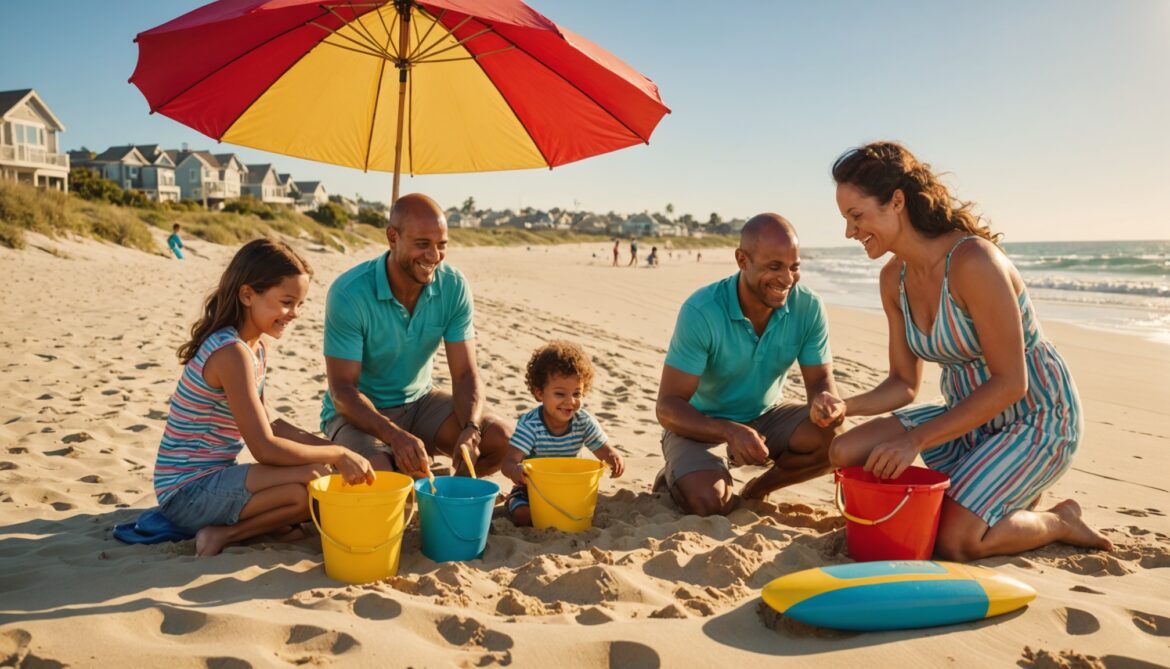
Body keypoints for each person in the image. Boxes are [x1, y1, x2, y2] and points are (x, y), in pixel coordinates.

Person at [826, 141, 1112, 560]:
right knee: (844, 450)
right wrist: (844, 406)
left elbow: (1011, 383)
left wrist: (914, 441)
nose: (850, 232)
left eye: (856, 216)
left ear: (897, 202)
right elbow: (903, 383)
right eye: (846, 220)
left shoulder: (973, 262)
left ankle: (1060, 520)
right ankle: (996, 494)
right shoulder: (893, 280)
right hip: (967, 416)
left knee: (953, 540)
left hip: (1036, 415)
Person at [154, 239, 375, 557]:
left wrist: (334, 452)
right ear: (247, 295)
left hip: (215, 477)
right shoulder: (231, 353)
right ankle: (222, 535)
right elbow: (263, 447)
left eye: (300, 304)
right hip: (185, 492)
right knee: (313, 477)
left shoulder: (255, 346)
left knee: (304, 492)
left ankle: (239, 529)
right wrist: (337, 454)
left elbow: (271, 423)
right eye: (287, 302)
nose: (295, 313)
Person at [655, 214, 844, 516]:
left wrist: (825, 402)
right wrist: (729, 431)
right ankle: (677, 472)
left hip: (767, 417)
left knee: (838, 440)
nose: (787, 279)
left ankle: (757, 489)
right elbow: (667, 407)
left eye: (794, 267)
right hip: (700, 423)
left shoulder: (808, 306)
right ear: (742, 260)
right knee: (709, 503)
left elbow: (820, 380)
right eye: (774, 267)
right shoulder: (701, 310)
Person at [321, 193, 511, 480]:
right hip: (358, 413)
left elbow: (465, 375)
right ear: (392, 237)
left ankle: (448, 495)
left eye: (441, 245)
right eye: (422, 244)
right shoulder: (349, 293)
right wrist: (394, 436)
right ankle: (396, 472)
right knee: (380, 475)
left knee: (503, 440)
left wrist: (471, 428)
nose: (434, 256)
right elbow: (343, 392)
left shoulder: (453, 285)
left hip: (421, 402)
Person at [501, 341, 625, 526]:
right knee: (523, 516)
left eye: (577, 394)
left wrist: (613, 457)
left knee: (584, 511)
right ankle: (511, 499)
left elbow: (603, 450)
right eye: (560, 394)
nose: (570, 401)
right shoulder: (531, 425)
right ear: (539, 393)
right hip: (532, 490)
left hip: (569, 489)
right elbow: (508, 462)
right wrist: (515, 470)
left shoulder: (583, 421)